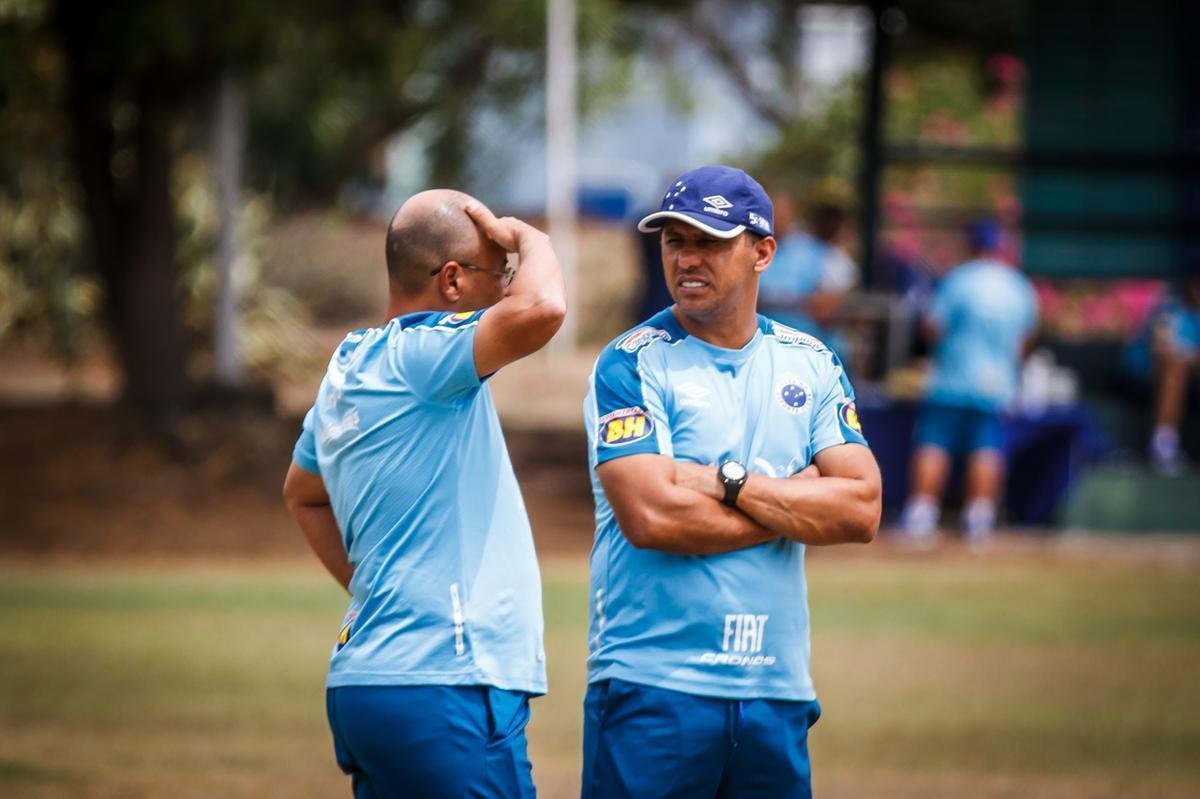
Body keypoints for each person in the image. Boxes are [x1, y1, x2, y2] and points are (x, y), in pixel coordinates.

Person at [581, 165, 882, 798]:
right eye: (673, 241)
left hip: (775, 688)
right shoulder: (632, 362)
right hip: (654, 684)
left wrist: (730, 483)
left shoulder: (813, 361)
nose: (687, 259)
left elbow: (861, 509)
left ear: (763, 251)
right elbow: (653, 518)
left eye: (710, 241)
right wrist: (794, 499)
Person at [282, 190, 565, 798]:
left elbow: (303, 494)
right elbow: (544, 308)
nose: (507, 288)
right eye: (500, 274)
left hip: (367, 681)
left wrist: (372, 588)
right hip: (446, 682)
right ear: (453, 280)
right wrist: (528, 237)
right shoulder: (425, 351)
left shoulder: (348, 366)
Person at [900, 220, 1038, 543]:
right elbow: (1025, 341)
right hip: (996, 385)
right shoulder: (1018, 286)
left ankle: (921, 515)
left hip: (951, 381)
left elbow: (933, 327)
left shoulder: (957, 280)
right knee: (986, 448)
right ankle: (979, 518)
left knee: (934, 444)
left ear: (970, 245)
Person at [756, 184, 858, 357]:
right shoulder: (750, 251)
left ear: (791, 213)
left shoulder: (819, 252)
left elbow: (830, 306)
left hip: (813, 352)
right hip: (763, 350)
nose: (776, 218)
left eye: (780, 211)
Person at [1122, 272, 1200, 473]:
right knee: (1174, 368)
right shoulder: (1169, 310)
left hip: (1187, 380)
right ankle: (1163, 447)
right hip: (1140, 375)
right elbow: (1161, 350)